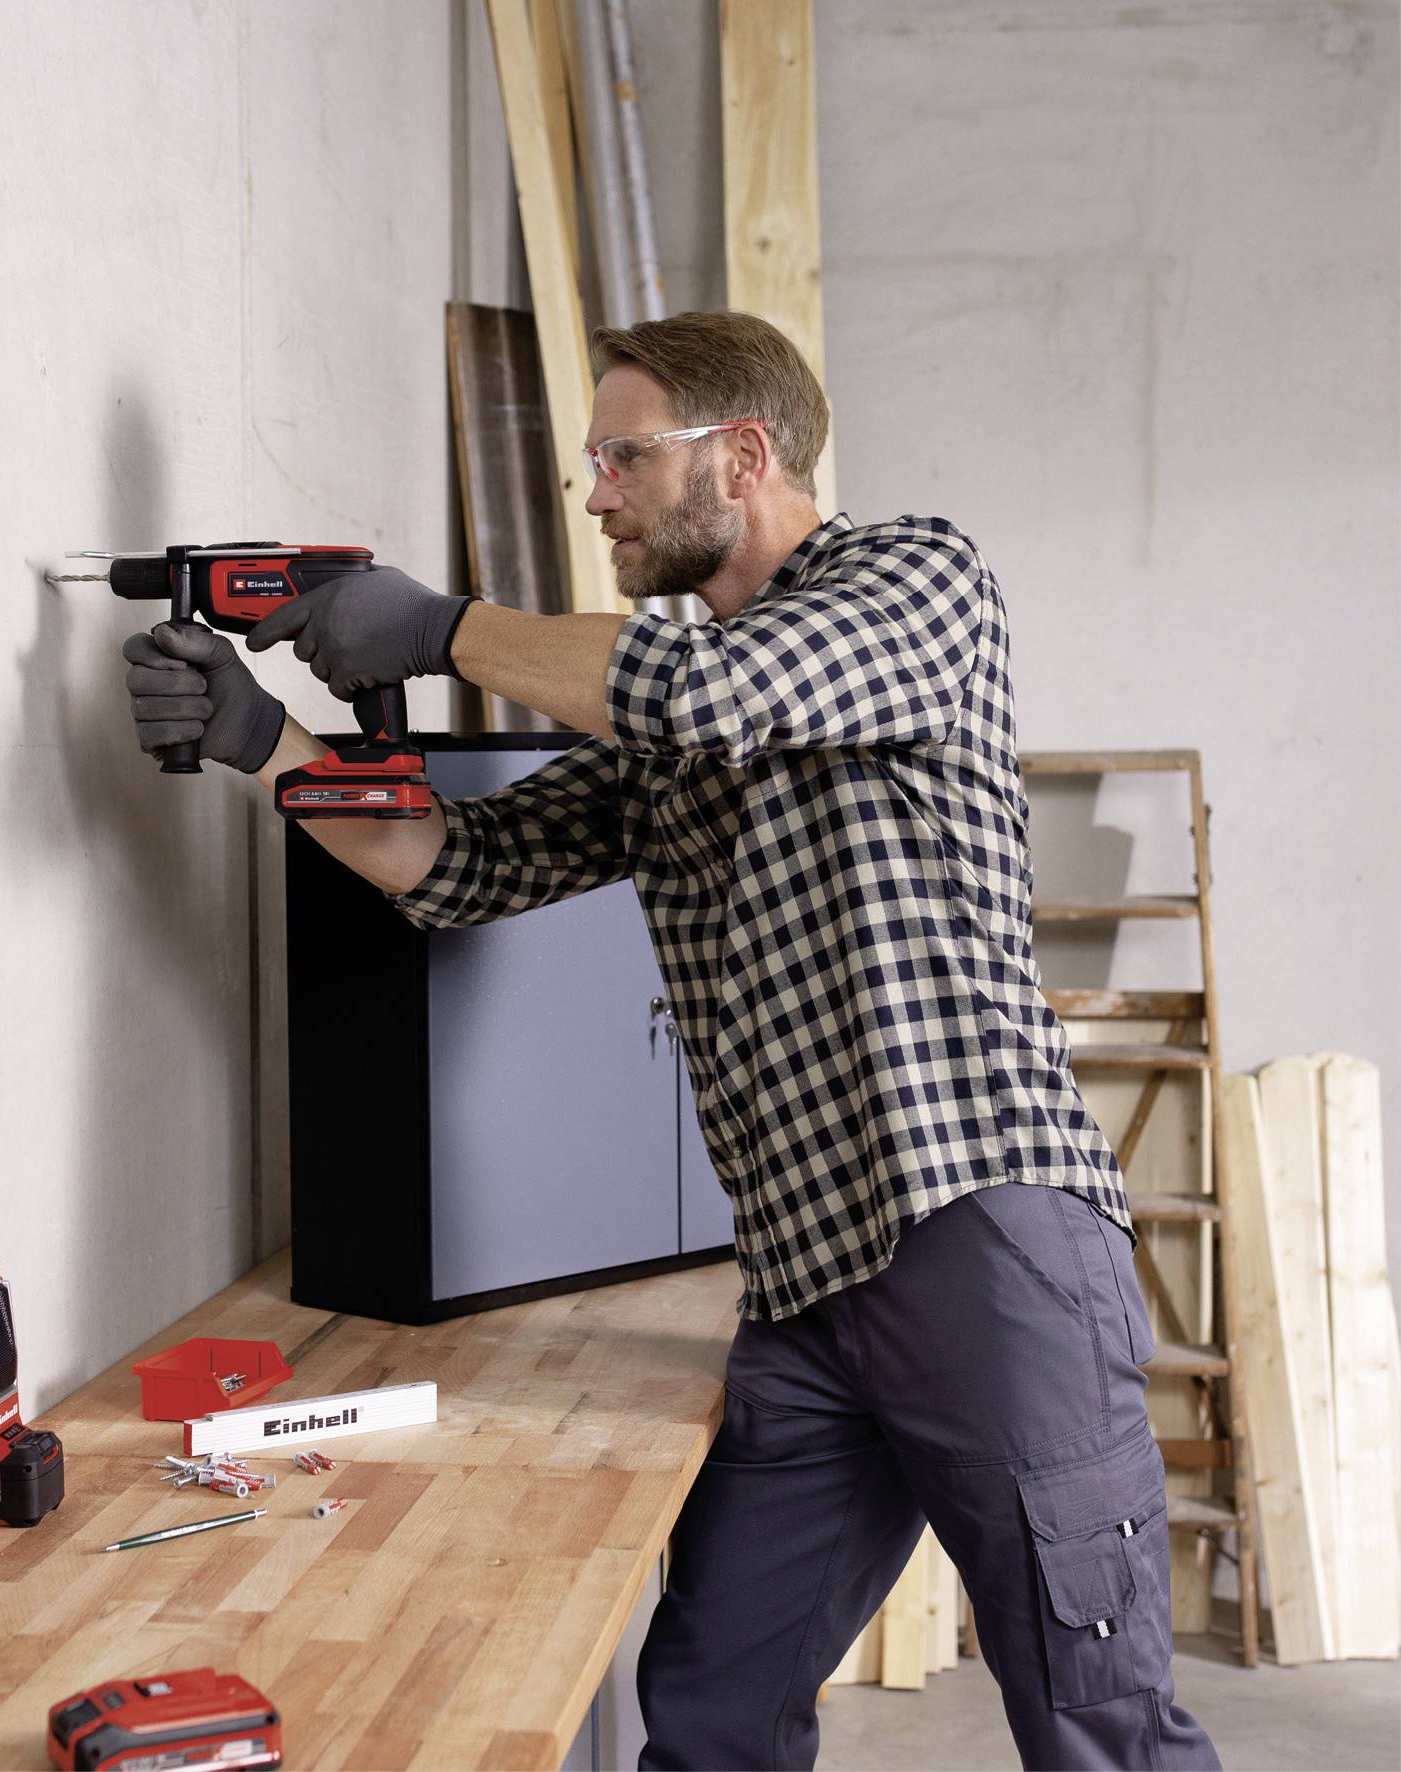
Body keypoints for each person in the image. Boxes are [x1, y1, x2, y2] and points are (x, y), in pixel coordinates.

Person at [122, 309, 1219, 1772]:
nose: (594, 495)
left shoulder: (914, 582)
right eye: (588, 463)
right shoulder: (668, 716)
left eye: (621, 457)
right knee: (708, 1716)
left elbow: (713, 696)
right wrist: (269, 749)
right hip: (810, 1289)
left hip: (980, 1239)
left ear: (742, 456)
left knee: (1099, 1730)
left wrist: (441, 629)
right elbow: (454, 867)